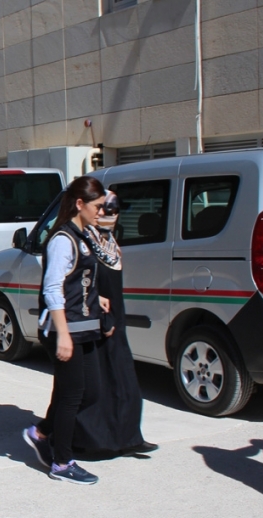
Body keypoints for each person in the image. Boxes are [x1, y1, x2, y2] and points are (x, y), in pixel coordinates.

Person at [22, 176, 108, 485]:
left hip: (82, 325)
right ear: (80, 204)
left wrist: (98, 299)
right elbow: (53, 290)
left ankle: (41, 432)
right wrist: (63, 335)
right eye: (97, 206)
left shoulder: (84, 235)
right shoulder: (62, 239)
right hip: (64, 328)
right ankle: (61, 461)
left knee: (86, 391)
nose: (102, 211)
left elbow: (78, 281)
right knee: (73, 395)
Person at [73, 191, 158, 456]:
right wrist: (103, 317)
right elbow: (87, 284)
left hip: (116, 320)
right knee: (98, 381)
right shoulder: (86, 241)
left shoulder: (111, 243)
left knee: (124, 378)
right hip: (96, 319)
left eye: (114, 209)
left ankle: (129, 437)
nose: (109, 214)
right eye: (104, 208)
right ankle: (93, 441)